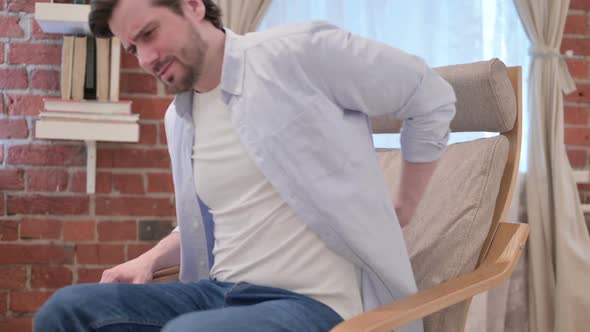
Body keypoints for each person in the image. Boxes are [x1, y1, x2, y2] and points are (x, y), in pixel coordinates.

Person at [34, 0, 456, 331]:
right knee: (67, 311)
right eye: (132, 48)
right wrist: (150, 258)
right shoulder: (179, 118)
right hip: (221, 294)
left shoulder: (299, 53)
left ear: (193, 5)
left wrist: (405, 205)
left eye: (148, 33)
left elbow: (429, 94)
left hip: (318, 306)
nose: (144, 58)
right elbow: (221, 215)